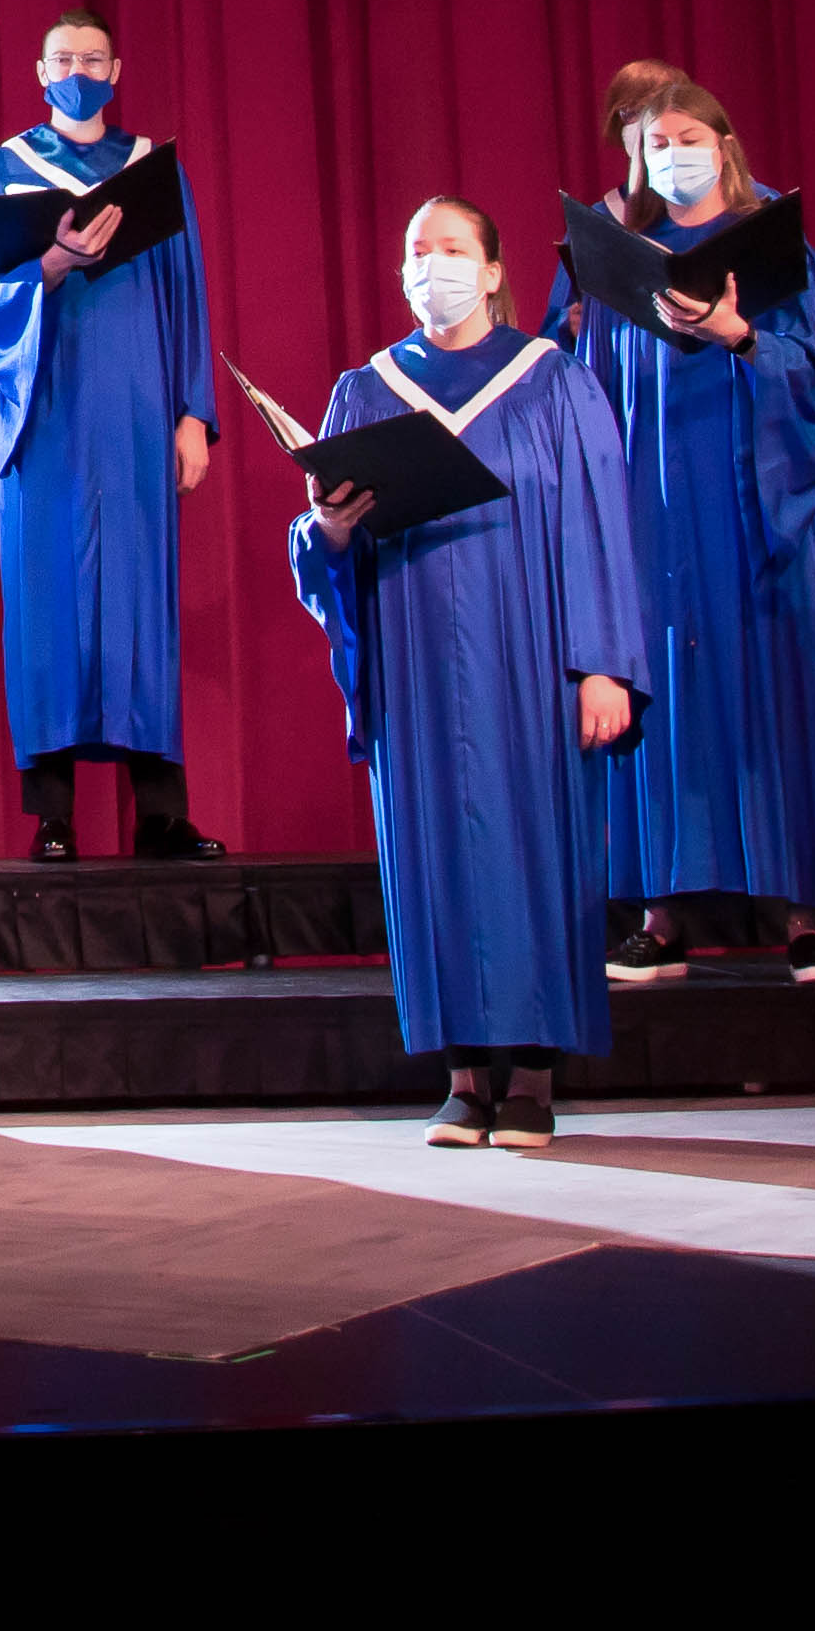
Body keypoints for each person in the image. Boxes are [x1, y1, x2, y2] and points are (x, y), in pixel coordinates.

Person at [288, 199, 648, 1143]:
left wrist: (603, 663)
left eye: (452, 250)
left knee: (542, 844)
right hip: (414, 657)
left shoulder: (554, 381)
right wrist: (324, 530)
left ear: (492, 271)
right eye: (417, 250)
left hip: (533, 652)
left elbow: (602, 526)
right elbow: (319, 547)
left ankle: (532, 1076)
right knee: (434, 854)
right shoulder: (364, 391)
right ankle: (461, 1076)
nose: (432, 266)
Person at [585, 77, 815, 985]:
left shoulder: (778, 247)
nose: (672, 155)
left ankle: (806, 918)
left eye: (687, 136)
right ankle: (661, 916)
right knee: (663, 700)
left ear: (726, 141)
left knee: (777, 694)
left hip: (752, 509)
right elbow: (598, 397)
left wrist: (742, 336)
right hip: (657, 515)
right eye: (654, 145)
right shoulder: (629, 258)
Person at [0, 11, 220, 862]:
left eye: (93, 57)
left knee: (143, 600)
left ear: (117, 67)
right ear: (40, 70)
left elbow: (188, 293)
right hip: (47, 413)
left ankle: (161, 814)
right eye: (64, 58)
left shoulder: (153, 172)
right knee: (50, 606)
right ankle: (55, 816)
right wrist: (52, 265)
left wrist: (192, 414)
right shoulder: (2, 169)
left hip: (140, 410)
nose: (79, 69)